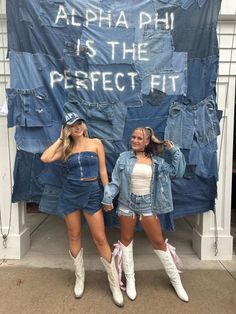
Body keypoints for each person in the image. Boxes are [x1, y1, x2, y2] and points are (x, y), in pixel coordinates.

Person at [40, 112, 123, 307]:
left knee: (100, 238)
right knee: (74, 235)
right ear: (67, 129)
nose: (77, 127)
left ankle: (114, 284)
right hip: (70, 194)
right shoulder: (66, 148)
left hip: (92, 193)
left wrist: (108, 195)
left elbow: (103, 171)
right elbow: (45, 158)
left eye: (79, 123)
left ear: (84, 125)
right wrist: (61, 138)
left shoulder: (96, 143)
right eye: (72, 125)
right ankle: (80, 278)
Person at [102, 126, 189, 302]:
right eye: (133, 137)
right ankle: (131, 280)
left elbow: (176, 172)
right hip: (127, 204)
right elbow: (116, 182)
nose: (134, 140)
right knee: (125, 242)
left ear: (147, 141)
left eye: (139, 138)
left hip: (149, 204)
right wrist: (108, 198)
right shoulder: (123, 158)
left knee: (158, 242)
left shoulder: (157, 162)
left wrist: (175, 151)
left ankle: (176, 280)